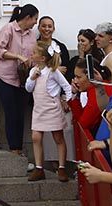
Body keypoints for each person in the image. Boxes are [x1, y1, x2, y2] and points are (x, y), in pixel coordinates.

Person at [0, 4, 39, 159]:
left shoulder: (31, 34)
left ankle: (19, 148)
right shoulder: (8, 29)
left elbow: (33, 54)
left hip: (22, 78)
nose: (35, 23)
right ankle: (14, 149)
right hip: (4, 77)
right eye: (35, 19)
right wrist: (18, 57)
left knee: (20, 114)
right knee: (11, 112)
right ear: (27, 18)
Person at [25, 39, 72, 182]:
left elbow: (67, 86)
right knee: (36, 137)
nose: (31, 55)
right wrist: (32, 78)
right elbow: (28, 88)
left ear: (43, 58)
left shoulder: (53, 72)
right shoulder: (34, 71)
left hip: (52, 109)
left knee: (58, 138)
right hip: (39, 109)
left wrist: (66, 100)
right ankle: (39, 168)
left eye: (34, 53)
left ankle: (62, 167)